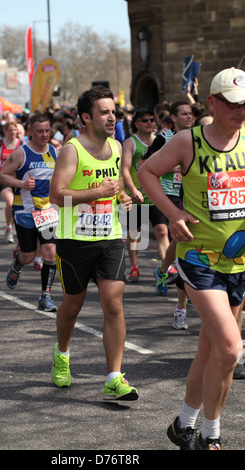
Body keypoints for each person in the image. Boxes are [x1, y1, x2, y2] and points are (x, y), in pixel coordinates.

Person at [138, 67, 245, 450]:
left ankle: (182, 424)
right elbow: (147, 171)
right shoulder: (188, 141)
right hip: (199, 259)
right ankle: (210, 436)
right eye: (232, 103)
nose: (240, 111)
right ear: (213, 103)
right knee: (231, 348)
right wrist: (172, 211)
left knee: (211, 349)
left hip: (239, 261)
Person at [49, 85, 138, 401]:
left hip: (110, 237)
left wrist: (121, 197)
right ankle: (62, 354)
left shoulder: (115, 146)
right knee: (72, 305)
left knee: (113, 304)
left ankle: (114, 377)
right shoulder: (72, 150)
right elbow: (56, 195)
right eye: (104, 111)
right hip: (75, 241)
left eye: (113, 111)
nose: (112, 116)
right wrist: (95, 192)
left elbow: (111, 188)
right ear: (86, 117)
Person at [0, 113, 58, 312]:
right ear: (30, 131)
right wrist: (22, 184)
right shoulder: (20, 153)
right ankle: (17, 265)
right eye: (40, 131)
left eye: (47, 130)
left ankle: (45, 296)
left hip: (47, 211)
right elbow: (2, 175)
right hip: (24, 211)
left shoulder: (55, 152)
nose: (44, 134)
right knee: (29, 256)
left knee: (50, 251)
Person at [143, 100, 193, 329]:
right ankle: (170, 275)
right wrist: (170, 164)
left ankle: (163, 270)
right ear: (173, 118)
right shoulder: (165, 138)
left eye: (191, 113)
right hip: (165, 193)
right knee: (168, 233)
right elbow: (146, 163)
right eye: (184, 114)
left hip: (187, 194)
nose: (189, 117)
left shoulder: (198, 137)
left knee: (181, 240)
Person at [121, 108, 155, 282]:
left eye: (151, 119)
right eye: (144, 120)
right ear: (136, 124)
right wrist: (132, 189)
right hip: (137, 196)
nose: (149, 122)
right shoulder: (131, 143)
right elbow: (125, 169)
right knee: (135, 233)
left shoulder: (160, 141)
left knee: (163, 232)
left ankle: (166, 269)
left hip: (157, 195)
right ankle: (134, 267)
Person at [0, 121, 21, 244]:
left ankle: (16, 227)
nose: (13, 132)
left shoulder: (21, 144)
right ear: (5, 131)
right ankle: (8, 228)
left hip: (18, 179)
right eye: (10, 130)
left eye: (14, 130)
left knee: (17, 206)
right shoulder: (0, 144)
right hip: (3, 178)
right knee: (10, 202)